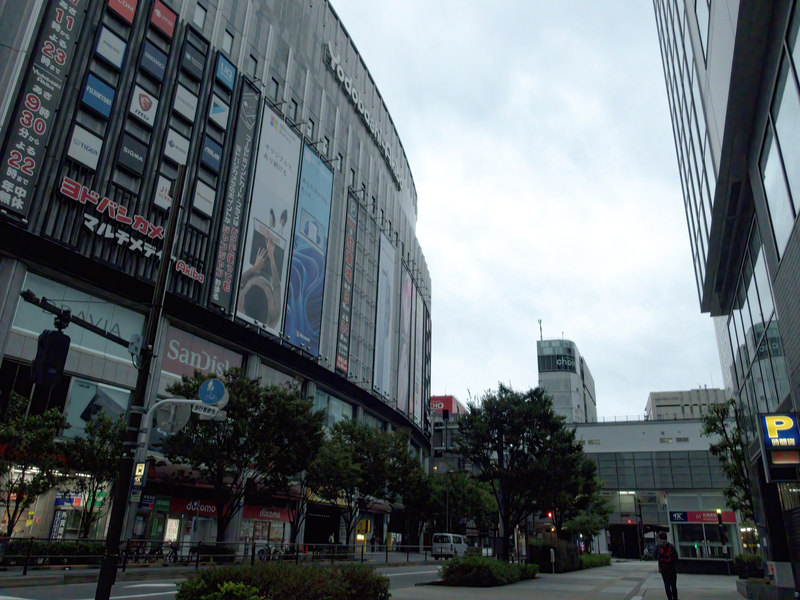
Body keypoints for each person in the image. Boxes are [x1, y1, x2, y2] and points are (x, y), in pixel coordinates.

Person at [656, 532, 678, 600]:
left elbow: (655, 556)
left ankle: (669, 598)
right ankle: (675, 598)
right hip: (672, 569)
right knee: (673, 585)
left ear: (660, 538)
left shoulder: (658, 547)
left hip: (663, 569)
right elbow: (676, 557)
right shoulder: (671, 546)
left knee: (667, 585)